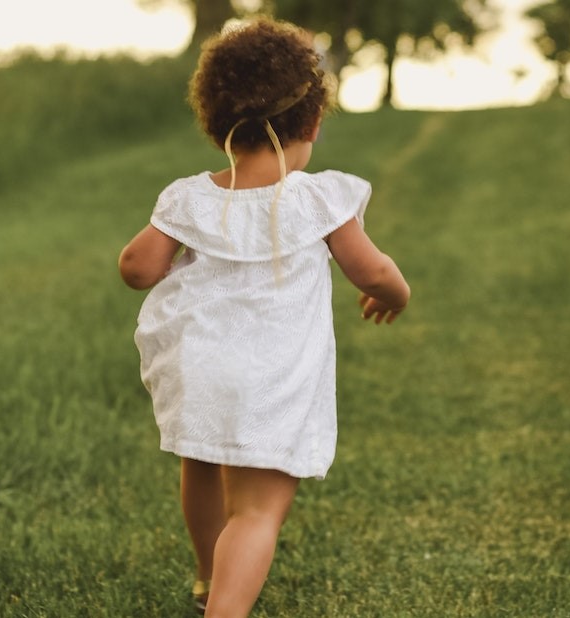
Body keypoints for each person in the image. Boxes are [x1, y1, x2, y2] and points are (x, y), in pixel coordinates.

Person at [118, 17, 411, 617]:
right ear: (311, 122)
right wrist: (396, 296)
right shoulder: (317, 199)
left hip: (198, 366)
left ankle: (207, 578)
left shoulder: (188, 197)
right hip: (272, 380)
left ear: (218, 120)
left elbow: (137, 268)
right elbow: (373, 273)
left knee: (200, 464)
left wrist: (155, 255)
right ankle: (225, 609)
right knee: (255, 512)